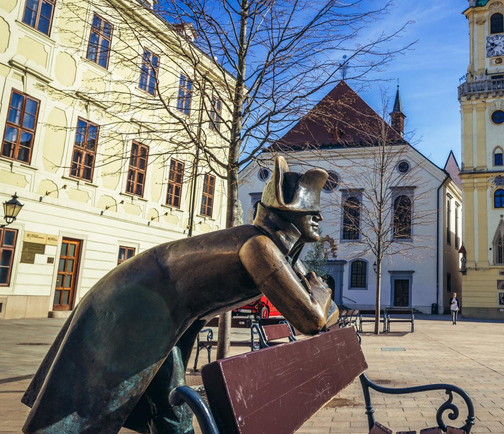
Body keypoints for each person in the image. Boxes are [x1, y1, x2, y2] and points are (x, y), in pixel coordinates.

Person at [22, 156, 338, 434]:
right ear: (286, 213)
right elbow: (311, 320)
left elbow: (322, 316)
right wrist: (320, 293)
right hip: (139, 305)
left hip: (165, 313)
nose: (319, 217)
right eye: (311, 208)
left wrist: (319, 300)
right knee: (90, 407)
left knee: (170, 411)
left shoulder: (273, 250)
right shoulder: (259, 248)